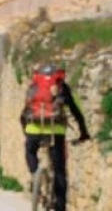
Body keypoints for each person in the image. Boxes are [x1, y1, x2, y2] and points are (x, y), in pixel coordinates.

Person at [20, 64, 91, 211]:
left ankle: (34, 175)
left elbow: (24, 112)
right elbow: (76, 111)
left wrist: (26, 133)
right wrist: (83, 132)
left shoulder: (34, 86)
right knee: (59, 172)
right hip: (55, 132)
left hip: (33, 129)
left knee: (30, 151)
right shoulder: (62, 88)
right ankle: (60, 207)